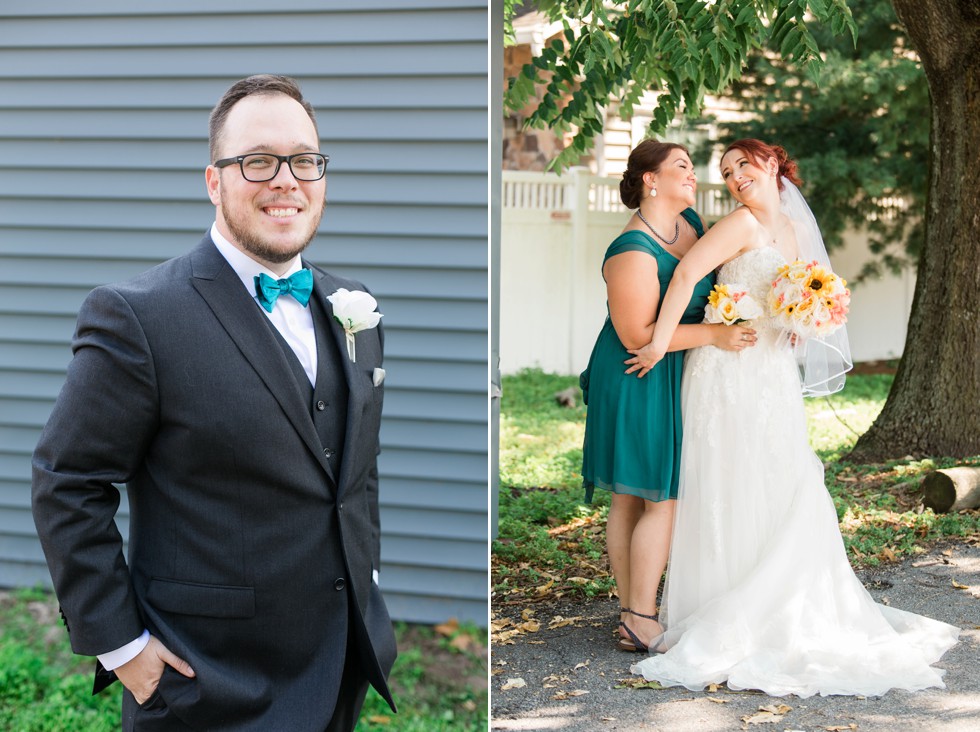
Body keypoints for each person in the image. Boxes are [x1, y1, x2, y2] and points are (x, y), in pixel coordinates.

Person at [31, 74, 397, 731]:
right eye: (257, 161)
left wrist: (365, 598)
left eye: (304, 160)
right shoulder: (137, 318)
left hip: (340, 668)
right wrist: (124, 649)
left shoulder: (354, 307)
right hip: (207, 689)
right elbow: (67, 482)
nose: (286, 179)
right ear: (214, 181)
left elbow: (352, 480)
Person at [624, 139, 959, 696]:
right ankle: (722, 602)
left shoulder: (797, 231)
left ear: (773, 163)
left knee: (779, 474)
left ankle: (786, 603)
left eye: (743, 165)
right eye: (727, 173)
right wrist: (660, 344)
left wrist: (801, 318)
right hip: (726, 370)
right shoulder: (738, 225)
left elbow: (798, 291)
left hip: (772, 372)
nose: (735, 177)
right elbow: (684, 278)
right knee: (728, 478)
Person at [579, 140, 757, 652]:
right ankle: (638, 615)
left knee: (648, 494)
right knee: (652, 494)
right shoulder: (632, 251)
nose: (693, 175)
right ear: (650, 180)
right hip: (637, 375)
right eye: (681, 166)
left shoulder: (692, 226)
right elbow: (639, 337)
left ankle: (634, 609)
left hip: (676, 367)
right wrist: (716, 337)